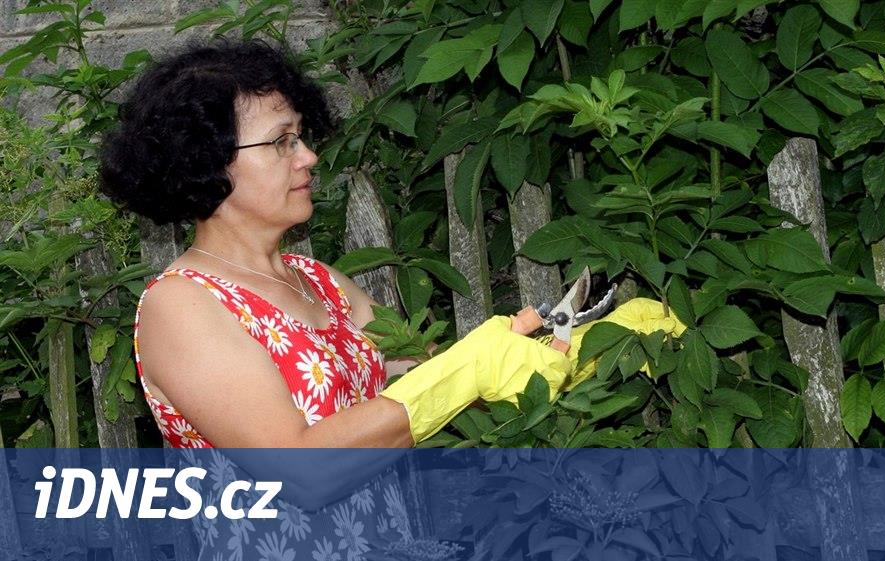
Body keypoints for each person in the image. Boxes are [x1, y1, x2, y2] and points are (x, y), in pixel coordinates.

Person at [100, 38, 683, 559]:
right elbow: (298, 474)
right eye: (280, 141)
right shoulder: (183, 306)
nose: (308, 157)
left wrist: (583, 349)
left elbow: (436, 391)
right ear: (207, 161)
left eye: (300, 136)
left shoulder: (321, 281)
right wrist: (468, 368)